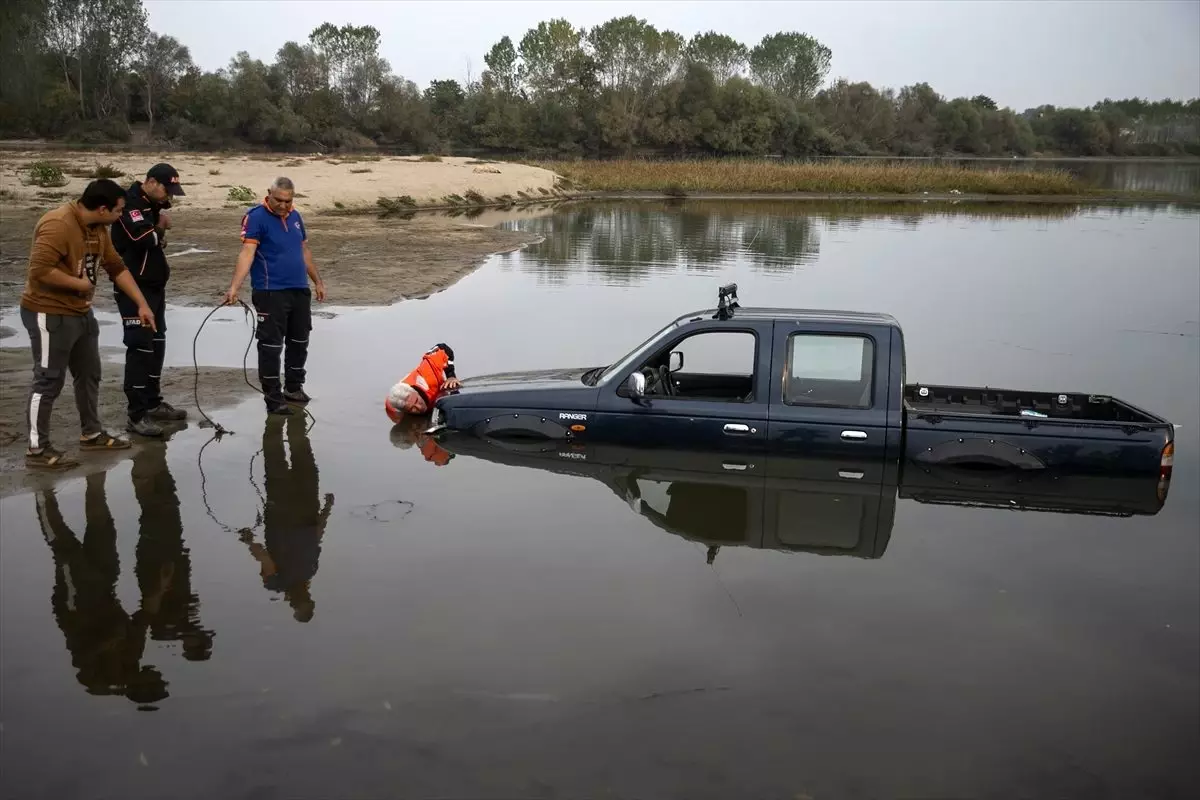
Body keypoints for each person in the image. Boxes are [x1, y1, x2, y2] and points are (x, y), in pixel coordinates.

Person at [19, 179, 157, 470]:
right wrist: (79, 283)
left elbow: (116, 267)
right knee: (48, 380)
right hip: (48, 312)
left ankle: (91, 433)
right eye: (119, 211)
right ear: (103, 208)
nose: (121, 216)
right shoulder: (58, 224)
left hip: (81, 313)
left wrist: (142, 304)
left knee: (90, 373)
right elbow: (40, 270)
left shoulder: (99, 229)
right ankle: (37, 449)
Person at [223, 177, 327, 416]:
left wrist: (318, 281)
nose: (283, 205)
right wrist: (234, 288)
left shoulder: (296, 216)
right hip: (270, 292)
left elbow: (304, 250)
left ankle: (294, 388)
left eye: (288, 201)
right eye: (278, 200)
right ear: (268, 194)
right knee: (271, 346)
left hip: (299, 290)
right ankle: (273, 398)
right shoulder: (256, 217)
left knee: (299, 342)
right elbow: (247, 253)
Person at [110, 162, 188, 437]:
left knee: (156, 343)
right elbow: (142, 236)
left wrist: (158, 229)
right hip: (133, 288)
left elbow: (154, 240)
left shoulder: (151, 205)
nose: (169, 197)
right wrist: (160, 226)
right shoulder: (129, 202)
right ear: (152, 182)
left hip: (154, 287)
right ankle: (137, 414)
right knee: (140, 347)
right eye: (167, 189)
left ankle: (153, 403)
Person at [242, 416, 334, 623]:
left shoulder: (308, 572)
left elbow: (316, 535)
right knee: (276, 460)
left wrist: (327, 509)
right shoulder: (279, 581)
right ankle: (276, 418)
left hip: (304, 505)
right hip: (282, 512)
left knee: (301, 455)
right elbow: (264, 557)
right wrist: (248, 540)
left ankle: (288, 416)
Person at [384, 343, 462, 424]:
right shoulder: (392, 406)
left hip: (437, 389)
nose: (419, 407)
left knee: (451, 394)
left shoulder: (428, 372)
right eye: (412, 409)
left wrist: (451, 376)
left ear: (415, 392)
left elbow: (443, 348)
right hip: (404, 389)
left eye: (417, 400)